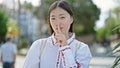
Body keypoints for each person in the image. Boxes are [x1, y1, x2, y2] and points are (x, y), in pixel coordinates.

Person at [23, 0, 92, 68]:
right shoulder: (38, 45)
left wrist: (65, 46)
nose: (57, 23)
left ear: (71, 19)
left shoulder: (82, 49)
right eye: (53, 18)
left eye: (62, 17)